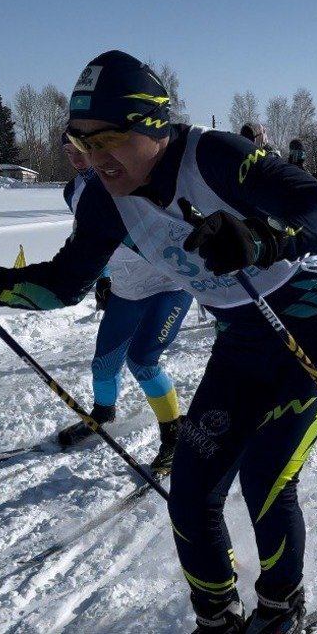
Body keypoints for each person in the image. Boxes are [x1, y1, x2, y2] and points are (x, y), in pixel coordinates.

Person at [0, 50, 317, 634]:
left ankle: (281, 610)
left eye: (108, 140)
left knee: (266, 479)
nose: (94, 158)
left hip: (313, 326)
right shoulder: (105, 201)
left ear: (153, 126)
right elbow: (63, 285)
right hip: (241, 343)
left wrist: (264, 237)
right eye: (81, 142)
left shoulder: (216, 156)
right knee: (191, 491)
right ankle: (218, 617)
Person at [56, 138, 192, 474]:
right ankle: (103, 414)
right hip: (127, 290)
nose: (76, 159)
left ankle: (174, 438)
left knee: (143, 360)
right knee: (103, 364)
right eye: (68, 153)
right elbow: (90, 238)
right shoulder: (73, 191)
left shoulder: (130, 178)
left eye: (81, 151)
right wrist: (102, 277)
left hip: (167, 285)